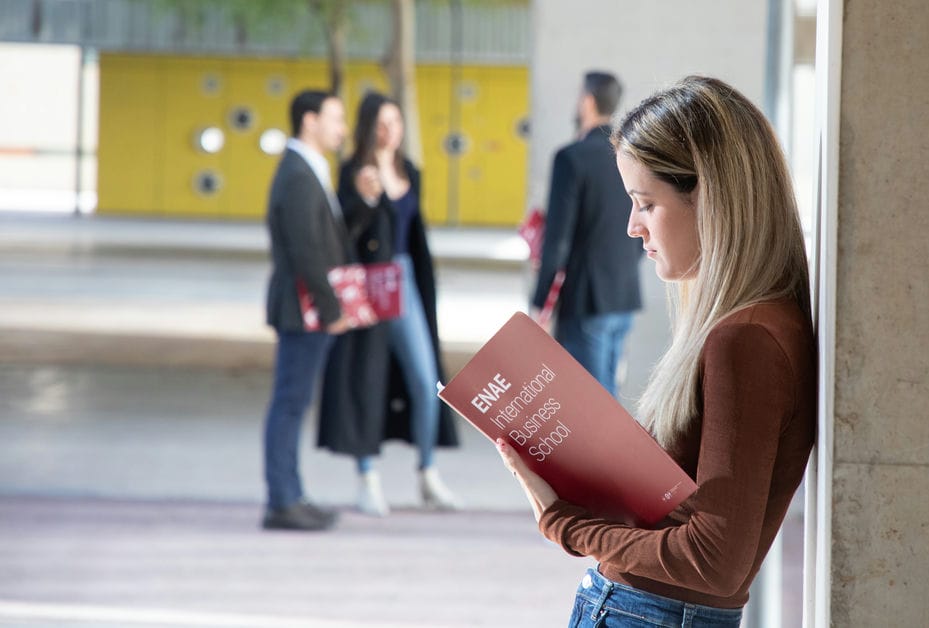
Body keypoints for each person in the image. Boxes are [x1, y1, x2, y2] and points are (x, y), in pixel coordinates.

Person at [497, 75, 816, 626]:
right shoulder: (760, 320)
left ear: (710, 197)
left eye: (646, 203)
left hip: (650, 612)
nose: (631, 226)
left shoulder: (745, 339)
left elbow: (713, 560)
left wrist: (561, 521)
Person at [317, 92, 460, 517]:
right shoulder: (352, 171)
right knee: (367, 379)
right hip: (368, 283)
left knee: (426, 381)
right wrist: (362, 199)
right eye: (381, 123)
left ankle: (428, 474)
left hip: (407, 281)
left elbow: (414, 233)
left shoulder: (410, 171)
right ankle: (368, 478)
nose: (389, 131)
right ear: (367, 127)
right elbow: (342, 234)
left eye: (395, 122)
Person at [261, 89, 352, 531]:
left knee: (294, 404)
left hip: (307, 308)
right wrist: (331, 306)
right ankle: (282, 500)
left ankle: (292, 494)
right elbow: (305, 250)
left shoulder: (310, 167)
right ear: (309, 121)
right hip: (303, 310)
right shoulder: (298, 172)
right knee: (289, 404)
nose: (343, 128)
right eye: (336, 118)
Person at [531, 71, 643, 397]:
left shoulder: (571, 158)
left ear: (587, 101)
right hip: (623, 295)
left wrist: (541, 303)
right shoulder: (631, 154)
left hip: (585, 299)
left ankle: (611, 451)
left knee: (591, 403)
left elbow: (557, 240)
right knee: (608, 394)